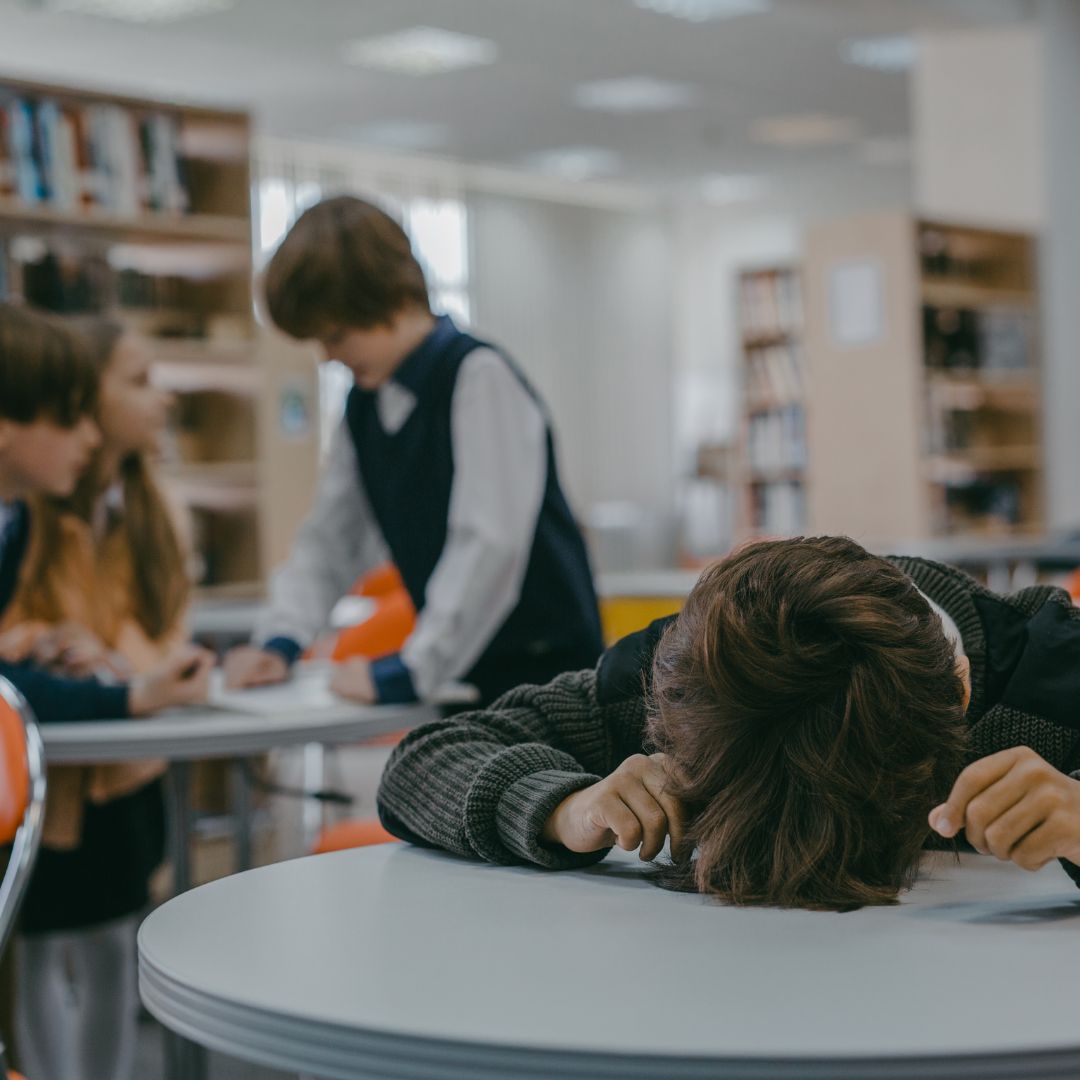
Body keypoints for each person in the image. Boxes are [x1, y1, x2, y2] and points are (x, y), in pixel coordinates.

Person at [377, 535, 1080, 912]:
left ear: (959, 694)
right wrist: (565, 805)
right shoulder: (684, 676)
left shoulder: (1059, 672)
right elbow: (425, 761)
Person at [223, 195, 602, 707]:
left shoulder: (478, 376)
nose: (329, 356)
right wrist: (282, 639)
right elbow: (330, 540)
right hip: (463, 672)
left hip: (545, 675)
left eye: (336, 334)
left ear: (391, 300)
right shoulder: (364, 405)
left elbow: (488, 545)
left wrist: (411, 669)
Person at [0, 304, 210, 1080]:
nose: (161, 400)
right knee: (44, 955)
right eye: (139, 381)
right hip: (51, 784)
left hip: (126, 777)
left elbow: (169, 638)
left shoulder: (153, 511)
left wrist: (117, 668)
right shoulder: (28, 516)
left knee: (117, 952)